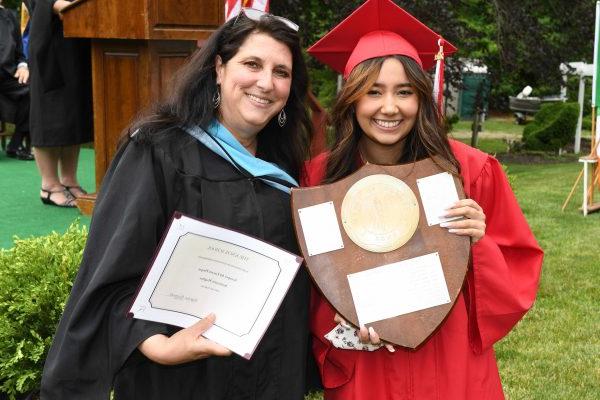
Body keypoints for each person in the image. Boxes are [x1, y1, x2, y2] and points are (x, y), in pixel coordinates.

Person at [41, 9, 317, 400]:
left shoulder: (286, 168)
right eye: (251, 64)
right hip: (180, 380)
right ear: (219, 68)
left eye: (281, 72)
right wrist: (160, 346)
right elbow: (112, 272)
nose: (265, 83)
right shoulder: (158, 151)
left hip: (270, 373)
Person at [303, 0, 544, 399]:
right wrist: (341, 321)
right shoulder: (320, 180)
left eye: (404, 92)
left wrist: (478, 241)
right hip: (369, 364)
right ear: (352, 99)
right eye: (373, 92)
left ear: (422, 98)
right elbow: (309, 282)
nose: (390, 107)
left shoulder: (470, 172)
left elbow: (518, 270)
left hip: (452, 363)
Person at [27, 0, 93, 207]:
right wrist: (57, 3)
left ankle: (69, 180)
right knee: (49, 109)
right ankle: (49, 185)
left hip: (76, 33)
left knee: (74, 111)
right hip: (50, 36)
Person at [0, 0, 33, 160]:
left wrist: (22, 66)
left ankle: (15, 144)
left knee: (33, 89)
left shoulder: (9, 16)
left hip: (8, 75)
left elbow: (20, 53)